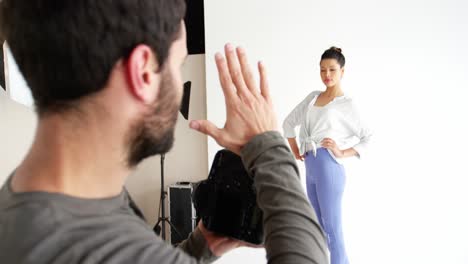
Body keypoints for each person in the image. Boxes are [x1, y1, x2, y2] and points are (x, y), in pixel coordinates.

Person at [0, 1, 328, 263]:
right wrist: (269, 145)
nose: (178, 82)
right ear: (143, 71)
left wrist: (202, 246)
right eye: (177, 63)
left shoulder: (33, 204)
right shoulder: (98, 245)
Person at [283, 47, 372, 264]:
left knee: (333, 232)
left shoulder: (346, 104)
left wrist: (342, 152)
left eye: (332, 69)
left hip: (328, 167)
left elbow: (368, 137)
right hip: (311, 167)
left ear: (343, 71)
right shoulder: (313, 98)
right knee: (318, 232)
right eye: (322, 70)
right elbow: (287, 123)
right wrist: (296, 150)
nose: (327, 75)